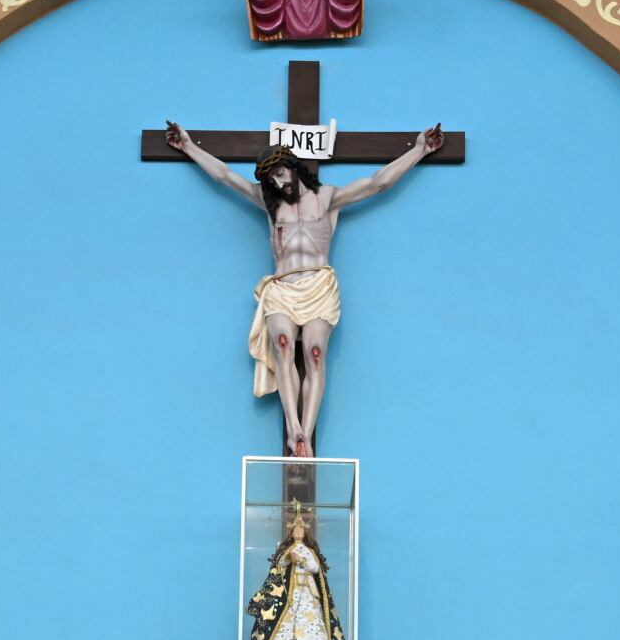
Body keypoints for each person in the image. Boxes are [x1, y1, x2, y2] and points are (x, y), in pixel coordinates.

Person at [160, 120, 441, 457]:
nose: (279, 182)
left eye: (281, 172)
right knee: (281, 345)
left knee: (314, 353)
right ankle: (293, 429)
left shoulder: (327, 198)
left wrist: (420, 149)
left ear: (292, 167)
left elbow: (378, 183)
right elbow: (225, 176)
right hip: (281, 286)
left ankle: (306, 433)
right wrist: (189, 147)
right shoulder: (271, 205)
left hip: (318, 285)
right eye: (272, 179)